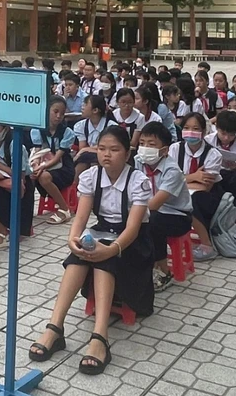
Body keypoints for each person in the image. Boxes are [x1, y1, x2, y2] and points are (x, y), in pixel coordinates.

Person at [27, 125, 153, 375]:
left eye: (115, 149)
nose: (107, 154)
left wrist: (112, 249)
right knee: (77, 256)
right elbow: (82, 217)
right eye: (102, 149)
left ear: (127, 154)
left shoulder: (138, 180)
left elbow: (133, 228)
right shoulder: (91, 176)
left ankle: (100, 337)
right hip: (104, 231)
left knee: (103, 256)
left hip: (133, 243)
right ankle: (55, 327)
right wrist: (73, 239)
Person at [136, 122, 192, 291]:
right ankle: (140, 265)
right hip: (150, 211)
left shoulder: (172, 170)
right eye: (142, 143)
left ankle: (163, 271)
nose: (145, 148)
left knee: (151, 221)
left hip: (178, 216)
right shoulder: (138, 162)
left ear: (165, 150)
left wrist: (133, 212)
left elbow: (155, 204)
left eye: (151, 145)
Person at [170, 113, 222, 261]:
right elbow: (168, 180)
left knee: (191, 201)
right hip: (179, 192)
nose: (190, 132)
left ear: (204, 132)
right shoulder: (175, 149)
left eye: (195, 128)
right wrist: (193, 177)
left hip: (206, 197)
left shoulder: (213, 154)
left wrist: (180, 180)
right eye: (186, 128)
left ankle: (207, 245)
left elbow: (205, 187)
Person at [32, 95, 76, 224]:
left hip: (63, 168)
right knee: (29, 176)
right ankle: (25, 211)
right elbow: (37, 152)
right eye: (55, 112)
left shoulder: (67, 132)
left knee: (44, 177)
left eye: (62, 113)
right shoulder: (37, 130)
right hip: (44, 163)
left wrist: (42, 168)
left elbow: (58, 158)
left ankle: (64, 209)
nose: (58, 116)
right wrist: (35, 166)